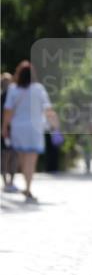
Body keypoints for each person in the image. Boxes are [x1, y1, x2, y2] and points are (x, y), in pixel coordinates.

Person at [2, 61, 58, 203]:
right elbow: (48, 109)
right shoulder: (39, 89)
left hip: (19, 128)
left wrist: (4, 128)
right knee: (31, 161)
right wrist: (54, 124)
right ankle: (28, 187)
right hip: (35, 128)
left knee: (22, 158)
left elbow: (8, 111)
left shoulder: (14, 90)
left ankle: (26, 186)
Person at [1, 73, 18, 192]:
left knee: (13, 155)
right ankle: (5, 181)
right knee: (5, 156)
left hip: (14, 129)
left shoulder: (14, 97)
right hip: (4, 130)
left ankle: (10, 181)